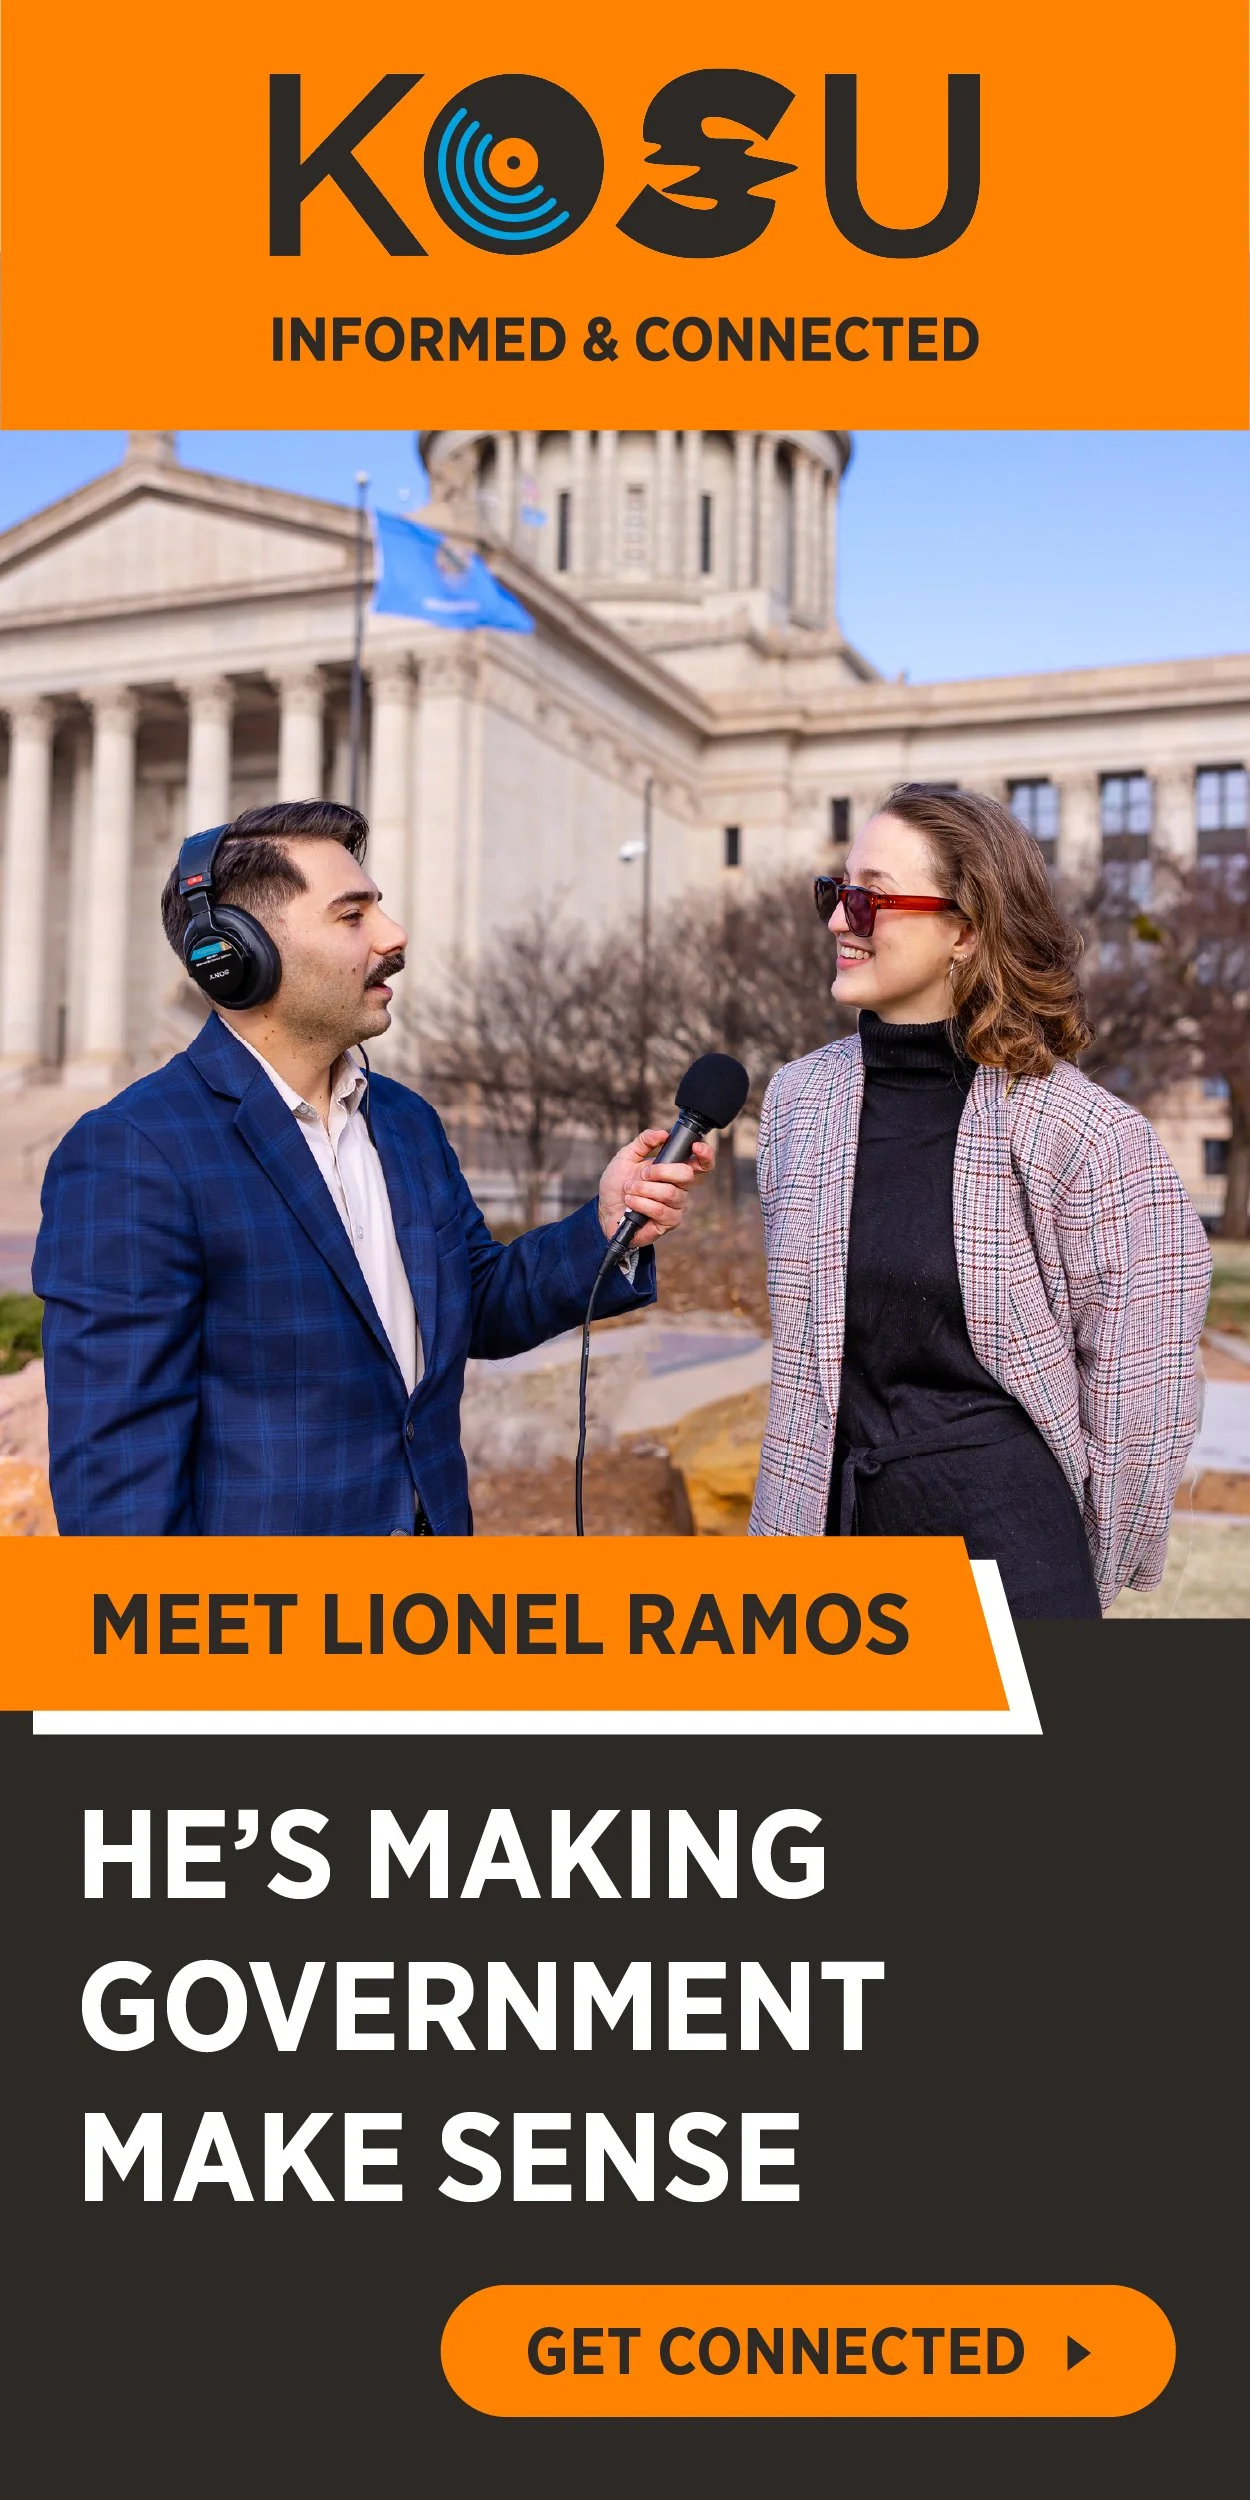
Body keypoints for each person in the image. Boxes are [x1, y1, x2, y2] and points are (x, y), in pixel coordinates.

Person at [34, 799, 711, 1535]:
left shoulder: (406, 1122)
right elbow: (119, 1491)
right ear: (235, 953)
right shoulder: (135, 1152)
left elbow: (473, 1304)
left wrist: (603, 1227)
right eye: (352, 915)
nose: (393, 936)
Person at [749, 782, 1211, 1616]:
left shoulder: (1088, 1136)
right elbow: (809, 1371)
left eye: (870, 899)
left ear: (965, 929)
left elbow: (1142, 1407)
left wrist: (1070, 1578)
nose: (838, 921)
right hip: (822, 1560)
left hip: (1007, 1563)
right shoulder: (796, 1102)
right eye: (836, 891)